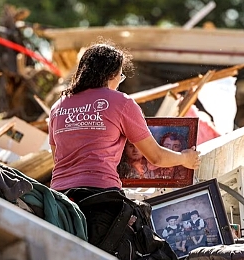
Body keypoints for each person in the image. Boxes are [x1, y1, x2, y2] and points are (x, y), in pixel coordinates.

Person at [48, 42, 200, 197]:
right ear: (112, 75)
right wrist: (185, 158)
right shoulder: (121, 102)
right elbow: (156, 157)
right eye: (120, 76)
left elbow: (58, 159)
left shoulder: (57, 107)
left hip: (59, 199)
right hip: (99, 197)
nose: (119, 83)